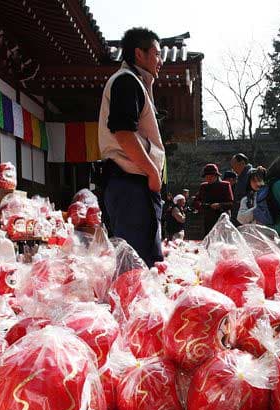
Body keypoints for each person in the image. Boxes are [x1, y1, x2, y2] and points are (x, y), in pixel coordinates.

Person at [98, 27, 164, 266]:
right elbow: (124, 133)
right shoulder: (126, 81)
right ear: (139, 54)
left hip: (132, 184)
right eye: (156, 54)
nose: (161, 61)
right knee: (136, 267)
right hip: (131, 184)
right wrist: (152, 171)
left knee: (140, 264)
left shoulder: (134, 82)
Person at [195, 163, 234, 235]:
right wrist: (205, 206)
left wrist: (219, 205)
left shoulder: (225, 185)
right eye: (206, 176)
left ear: (216, 176)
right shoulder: (203, 186)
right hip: (208, 219)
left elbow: (231, 203)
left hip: (223, 219)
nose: (208, 178)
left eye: (211, 176)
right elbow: (197, 202)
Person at [230, 153, 253, 223]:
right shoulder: (240, 177)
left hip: (247, 215)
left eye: (234, 165)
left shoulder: (251, 175)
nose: (233, 168)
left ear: (242, 163)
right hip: (239, 215)